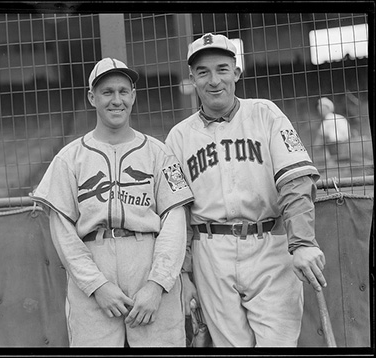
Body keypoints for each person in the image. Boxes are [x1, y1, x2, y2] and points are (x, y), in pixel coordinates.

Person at [165, 33, 327, 347]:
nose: (214, 80)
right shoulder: (179, 137)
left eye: (222, 69)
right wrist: (184, 273)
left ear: (237, 73)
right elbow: (177, 212)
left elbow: (295, 181)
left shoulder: (265, 114)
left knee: (278, 344)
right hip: (211, 251)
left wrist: (303, 243)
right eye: (203, 72)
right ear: (192, 79)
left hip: (270, 245)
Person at [31, 57, 194, 347]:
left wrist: (157, 285)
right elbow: (63, 233)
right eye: (107, 92)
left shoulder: (159, 153)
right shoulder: (69, 159)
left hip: (150, 260)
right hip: (94, 265)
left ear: (133, 96)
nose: (116, 100)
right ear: (92, 97)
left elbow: (175, 222)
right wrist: (97, 286)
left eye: (123, 91)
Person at [316, 97, 351, 163]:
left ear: (327, 109)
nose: (320, 111)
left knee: (336, 163)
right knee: (344, 163)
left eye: (321, 109)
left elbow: (321, 136)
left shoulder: (325, 121)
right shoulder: (341, 118)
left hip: (334, 146)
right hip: (345, 144)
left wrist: (316, 147)